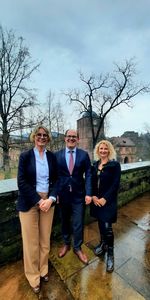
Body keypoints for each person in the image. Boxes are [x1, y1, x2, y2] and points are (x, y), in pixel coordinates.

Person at [17, 125, 57, 294]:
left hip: (48, 201)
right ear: (34, 137)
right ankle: (33, 276)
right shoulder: (25, 156)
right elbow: (21, 181)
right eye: (39, 134)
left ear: (48, 138)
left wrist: (51, 198)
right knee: (30, 242)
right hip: (29, 201)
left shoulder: (52, 157)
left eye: (45, 135)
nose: (42, 137)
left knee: (44, 239)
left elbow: (58, 180)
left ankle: (43, 269)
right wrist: (38, 200)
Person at [55, 129, 92, 264]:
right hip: (63, 196)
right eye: (69, 136)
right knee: (64, 221)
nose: (71, 138)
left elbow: (88, 174)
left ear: (78, 139)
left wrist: (88, 193)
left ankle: (77, 247)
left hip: (78, 196)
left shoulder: (83, 155)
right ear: (65, 138)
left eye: (74, 137)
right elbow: (55, 177)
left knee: (78, 223)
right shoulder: (57, 155)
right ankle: (66, 243)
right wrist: (55, 194)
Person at [91, 140, 121, 272]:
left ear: (109, 150)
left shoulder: (115, 165)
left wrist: (105, 198)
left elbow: (115, 185)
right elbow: (91, 182)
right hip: (96, 201)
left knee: (108, 228)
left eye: (105, 149)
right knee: (100, 223)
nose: (103, 151)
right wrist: (93, 196)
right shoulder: (95, 165)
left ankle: (110, 254)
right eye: (101, 149)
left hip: (108, 201)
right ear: (98, 151)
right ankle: (103, 244)